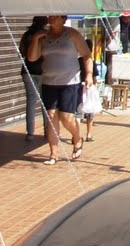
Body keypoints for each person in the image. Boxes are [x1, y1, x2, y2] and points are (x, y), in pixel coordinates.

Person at [27, 15, 92, 165]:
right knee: (51, 116)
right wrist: (36, 38)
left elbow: (86, 54)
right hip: (49, 81)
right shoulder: (44, 36)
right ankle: (53, 154)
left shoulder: (72, 34)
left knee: (66, 117)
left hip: (69, 81)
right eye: (50, 16)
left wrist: (88, 74)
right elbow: (31, 58)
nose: (51, 19)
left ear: (63, 19)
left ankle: (77, 137)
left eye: (55, 17)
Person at [18, 16, 47, 142]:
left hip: (27, 70)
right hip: (42, 71)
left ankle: (30, 133)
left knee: (31, 101)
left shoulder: (26, 35)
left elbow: (21, 52)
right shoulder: (44, 35)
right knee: (44, 102)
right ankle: (48, 130)